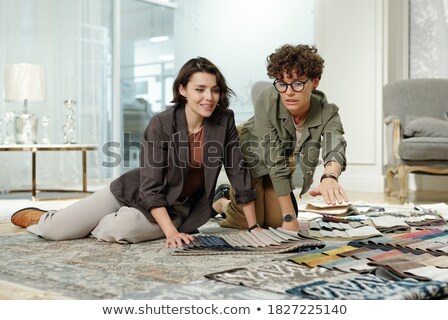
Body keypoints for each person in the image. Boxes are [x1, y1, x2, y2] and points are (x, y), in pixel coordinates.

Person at [10, 57, 257, 248]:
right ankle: (47, 218)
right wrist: (170, 233)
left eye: (214, 90)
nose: (209, 98)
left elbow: (238, 172)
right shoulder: (162, 123)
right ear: (182, 90)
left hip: (177, 207)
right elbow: (150, 189)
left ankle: (87, 222)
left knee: (121, 229)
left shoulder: (224, 120)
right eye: (200, 90)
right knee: (56, 232)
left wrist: (253, 226)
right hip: (134, 190)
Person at [213, 44, 348, 232]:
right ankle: (220, 201)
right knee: (247, 220)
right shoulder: (266, 100)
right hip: (250, 150)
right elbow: (273, 158)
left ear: (315, 82)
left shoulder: (328, 112)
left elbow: (335, 144)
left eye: (298, 83)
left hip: (280, 160)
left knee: (275, 221)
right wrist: (290, 217)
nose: (289, 92)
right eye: (282, 84)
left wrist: (329, 176)